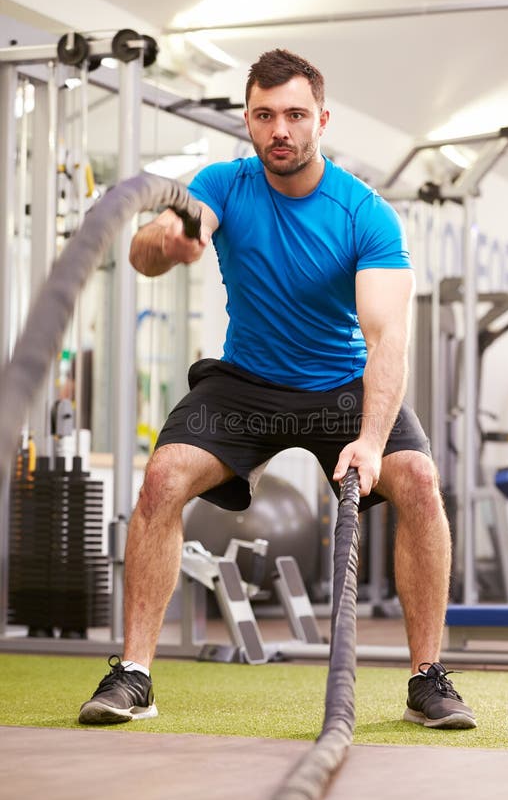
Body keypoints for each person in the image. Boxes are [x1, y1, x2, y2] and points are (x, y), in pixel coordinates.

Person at [79, 48, 476, 730]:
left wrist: (374, 442)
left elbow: (386, 341)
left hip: (340, 387)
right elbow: (157, 242)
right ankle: (134, 673)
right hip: (246, 384)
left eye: (295, 114)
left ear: (322, 118)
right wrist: (164, 243)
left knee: (418, 482)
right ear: (249, 121)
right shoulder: (224, 184)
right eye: (265, 116)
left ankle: (427, 678)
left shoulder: (365, 214)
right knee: (162, 477)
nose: (280, 130)